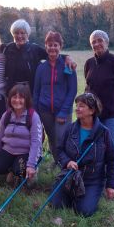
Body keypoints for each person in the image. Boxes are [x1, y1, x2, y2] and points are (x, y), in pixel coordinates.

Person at [51, 93, 114, 217]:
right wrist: (67, 162)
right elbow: (59, 150)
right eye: (76, 105)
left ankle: (88, 196)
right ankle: (71, 194)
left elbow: (113, 160)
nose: (77, 108)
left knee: (83, 212)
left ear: (92, 110)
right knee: (57, 206)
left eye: (81, 106)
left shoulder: (104, 133)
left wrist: (111, 185)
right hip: (69, 176)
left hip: (92, 180)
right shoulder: (70, 129)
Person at [84, 30, 114, 199]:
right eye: (93, 42)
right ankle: (98, 180)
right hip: (92, 114)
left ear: (107, 42)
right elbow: (88, 86)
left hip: (110, 114)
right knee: (94, 148)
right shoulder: (89, 63)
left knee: (113, 149)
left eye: (100, 40)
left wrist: (110, 101)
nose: (97, 44)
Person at [33, 31, 77, 164]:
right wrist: (35, 112)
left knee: (62, 138)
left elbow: (72, 90)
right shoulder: (41, 67)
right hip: (44, 111)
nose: (52, 48)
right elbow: (36, 91)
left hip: (62, 110)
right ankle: (57, 162)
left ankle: (67, 164)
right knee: (52, 138)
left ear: (60, 47)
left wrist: (64, 111)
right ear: (45, 46)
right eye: (49, 45)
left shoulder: (67, 65)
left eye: (55, 45)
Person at [3, 19, 76, 94]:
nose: (19, 36)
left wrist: (67, 57)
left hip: (30, 91)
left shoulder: (34, 49)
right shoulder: (7, 48)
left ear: (27, 34)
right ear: (13, 34)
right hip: (11, 91)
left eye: (22, 33)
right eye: (16, 33)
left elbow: (52, 54)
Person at [0, 84, 43, 184]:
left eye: (21, 97)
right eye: (14, 97)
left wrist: (31, 165)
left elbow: (36, 142)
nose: (17, 100)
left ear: (26, 99)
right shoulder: (6, 115)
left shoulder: (33, 116)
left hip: (25, 152)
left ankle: (31, 172)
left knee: (19, 170)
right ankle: (12, 170)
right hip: (8, 150)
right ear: (10, 99)